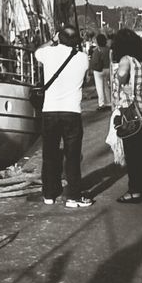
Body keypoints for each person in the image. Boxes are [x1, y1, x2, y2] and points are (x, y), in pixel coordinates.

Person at [35, 25, 92, 208]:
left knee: (49, 154)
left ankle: (49, 194)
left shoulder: (48, 53)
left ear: (58, 37)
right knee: (72, 155)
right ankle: (73, 196)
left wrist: (52, 41)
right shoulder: (83, 58)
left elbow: (37, 52)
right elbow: (86, 78)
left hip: (50, 110)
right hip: (71, 112)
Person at [111, 28, 142, 203]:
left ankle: (134, 190)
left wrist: (123, 84)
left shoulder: (125, 60)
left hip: (129, 110)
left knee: (132, 152)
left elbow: (121, 73)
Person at [90, 32, 111, 110]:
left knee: (99, 87)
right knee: (106, 87)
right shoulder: (108, 49)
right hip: (108, 69)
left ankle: (101, 104)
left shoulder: (97, 50)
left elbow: (94, 62)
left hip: (99, 71)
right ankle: (108, 102)